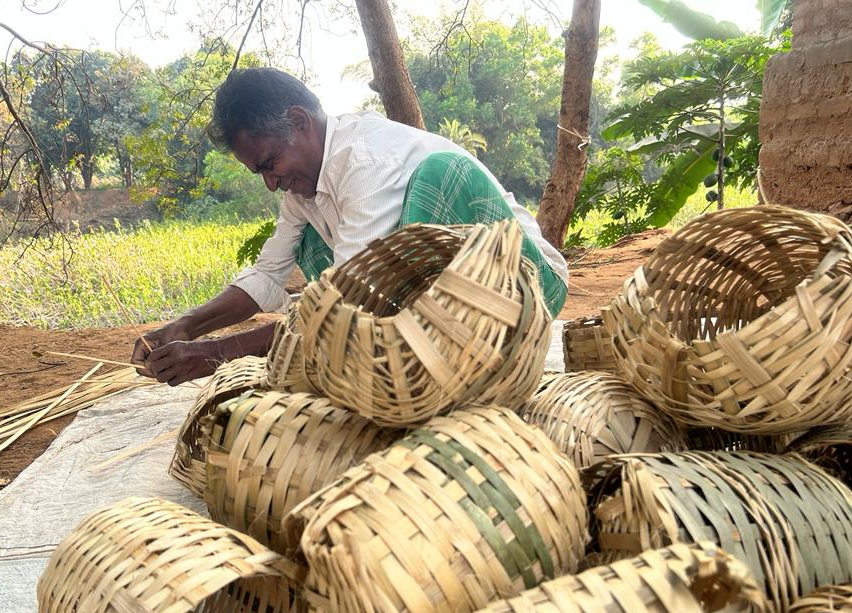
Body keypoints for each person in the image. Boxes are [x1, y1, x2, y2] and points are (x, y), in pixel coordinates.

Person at [133, 67, 568, 385]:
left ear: (300, 123)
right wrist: (189, 326)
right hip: (443, 301)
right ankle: (407, 361)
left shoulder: (367, 160)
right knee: (310, 246)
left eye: (269, 165)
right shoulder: (301, 191)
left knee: (441, 172)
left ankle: (435, 359)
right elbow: (268, 277)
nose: (270, 183)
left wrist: (218, 354)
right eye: (259, 173)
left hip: (528, 285)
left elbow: (347, 301)